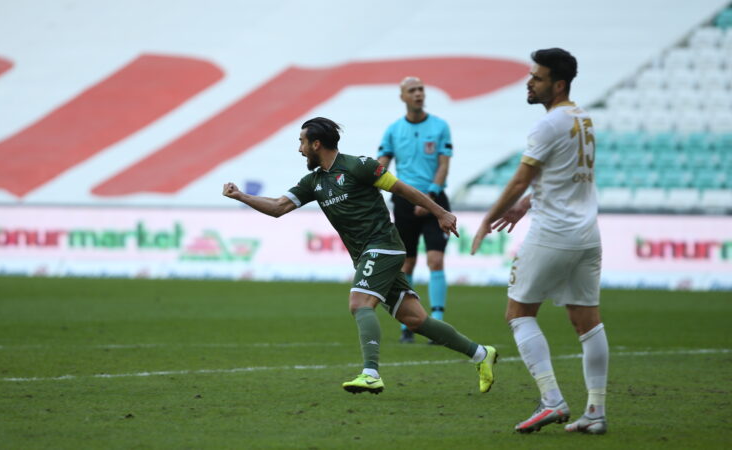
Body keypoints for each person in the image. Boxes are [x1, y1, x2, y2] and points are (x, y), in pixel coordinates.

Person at [223, 117, 497, 395]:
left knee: (359, 303)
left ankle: (370, 374)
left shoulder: (359, 166)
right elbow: (278, 206)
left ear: (316, 144)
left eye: (302, 143)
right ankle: (481, 353)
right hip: (367, 253)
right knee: (415, 320)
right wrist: (241, 196)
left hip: (383, 245)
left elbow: (402, 189)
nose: (300, 149)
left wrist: (440, 212)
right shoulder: (314, 182)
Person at [470, 48, 609, 434]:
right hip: (587, 234)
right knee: (587, 322)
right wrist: (527, 204)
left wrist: (488, 218)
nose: (529, 82)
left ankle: (552, 401)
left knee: (518, 313)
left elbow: (520, 179)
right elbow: (564, 175)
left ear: (558, 85)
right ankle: (595, 412)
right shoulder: (583, 118)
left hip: (553, 233)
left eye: (537, 77)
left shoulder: (547, 125)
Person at [378, 76, 453, 344]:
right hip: (404, 202)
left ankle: (438, 324)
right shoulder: (393, 130)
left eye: (421, 89)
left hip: (434, 200)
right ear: (403, 97)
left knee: (435, 260)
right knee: (407, 263)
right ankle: (407, 325)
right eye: (412, 90)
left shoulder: (440, 126)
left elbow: (444, 165)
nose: (418, 93)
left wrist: (430, 197)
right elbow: (381, 165)